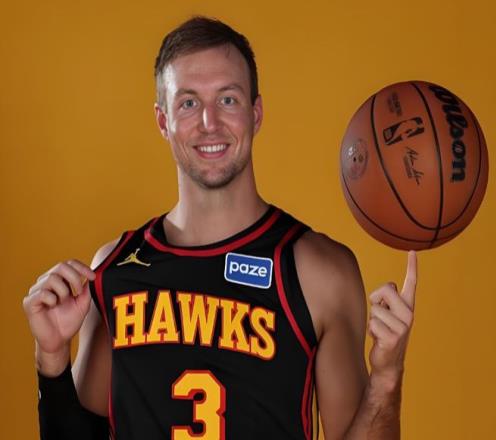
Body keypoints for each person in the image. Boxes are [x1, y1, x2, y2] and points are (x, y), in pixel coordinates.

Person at [23, 16, 417, 440]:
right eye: (188, 103)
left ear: (255, 113)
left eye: (227, 99)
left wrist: (386, 378)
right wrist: (52, 358)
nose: (209, 122)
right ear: (163, 121)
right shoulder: (115, 268)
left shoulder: (318, 272)